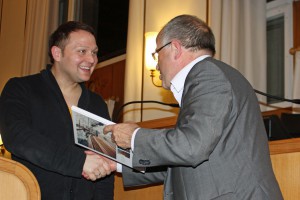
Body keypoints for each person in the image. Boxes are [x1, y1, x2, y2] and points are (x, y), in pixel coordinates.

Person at [104, 15, 283, 200]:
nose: (156, 64)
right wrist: (117, 164)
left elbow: (192, 146)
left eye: (157, 54)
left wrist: (134, 136)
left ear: (175, 48)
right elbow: (182, 162)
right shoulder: (206, 77)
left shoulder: (208, 75)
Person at [0, 21, 115, 200]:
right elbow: (17, 137)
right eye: (82, 51)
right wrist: (79, 163)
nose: (91, 59)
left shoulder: (97, 104)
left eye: (94, 53)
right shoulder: (21, 88)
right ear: (57, 53)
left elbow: (105, 164)